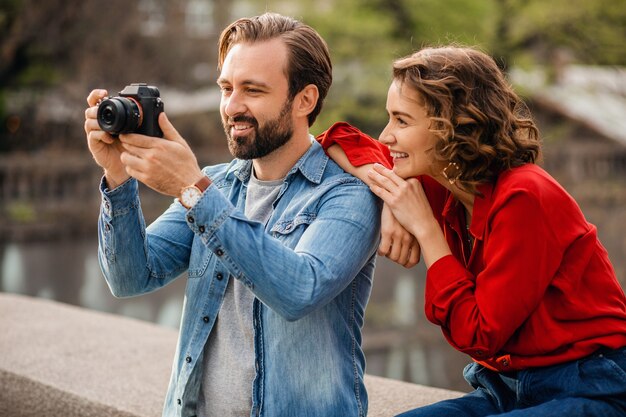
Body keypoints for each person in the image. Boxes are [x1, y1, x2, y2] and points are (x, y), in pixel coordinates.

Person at [83, 13, 382, 417]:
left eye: (253, 91)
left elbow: (298, 290)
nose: (232, 106)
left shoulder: (347, 195)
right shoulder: (216, 184)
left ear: (304, 100)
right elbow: (131, 277)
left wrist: (193, 190)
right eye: (226, 88)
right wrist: (117, 175)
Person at [319, 45, 626, 416]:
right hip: (504, 388)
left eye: (401, 121)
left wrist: (425, 229)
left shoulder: (525, 196)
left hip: (591, 386)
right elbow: (335, 139)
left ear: (453, 127)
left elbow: (479, 334)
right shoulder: (440, 182)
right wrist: (387, 193)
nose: (386, 135)